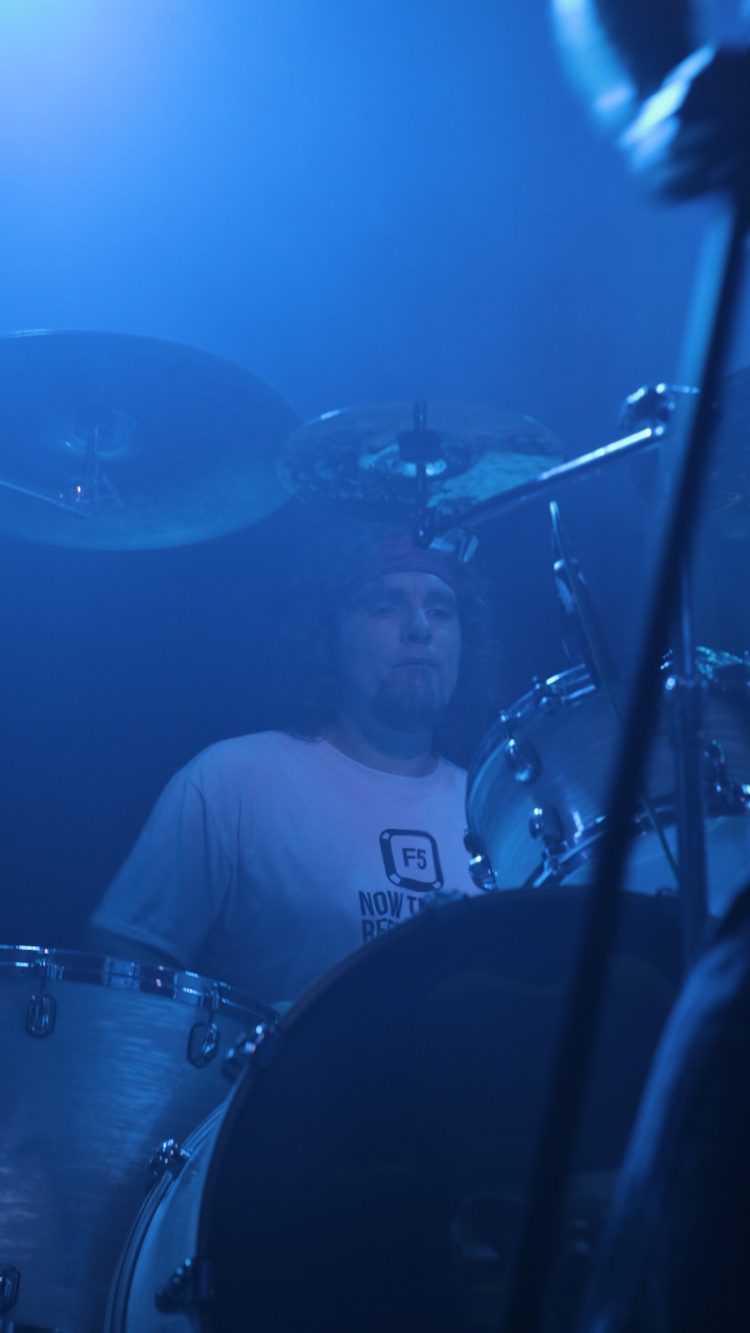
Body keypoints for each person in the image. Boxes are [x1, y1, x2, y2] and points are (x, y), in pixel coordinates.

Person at [86, 520, 490, 1005]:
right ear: (328, 636)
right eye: (386, 607)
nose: (420, 628)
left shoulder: (496, 813)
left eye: (441, 611)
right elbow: (125, 960)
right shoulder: (233, 781)